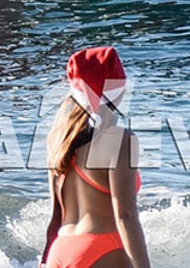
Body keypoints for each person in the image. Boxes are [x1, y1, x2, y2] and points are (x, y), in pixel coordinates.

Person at [43, 47, 151, 268]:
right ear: (117, 90)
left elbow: (56, 215)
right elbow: (126, 216)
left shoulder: (58, 140)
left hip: (60, 250)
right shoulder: (121, 141)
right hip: (102, 248)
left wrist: (45, 260)